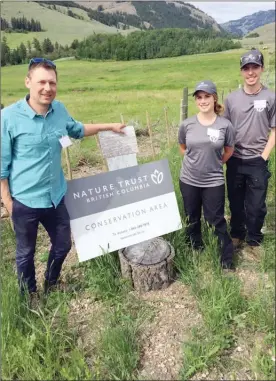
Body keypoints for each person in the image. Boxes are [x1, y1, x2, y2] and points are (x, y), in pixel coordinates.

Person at [1, 57, 126, 297]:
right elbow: (1, 164)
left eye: (52, 83)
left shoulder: (60, 110)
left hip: (55, 196)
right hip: (25, 200)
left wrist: (109, 126)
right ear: (28, 82)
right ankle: (30, 295)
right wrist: (8, 201)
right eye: (41, 82)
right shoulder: (8, 117)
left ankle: (51, 281)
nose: (47, 88)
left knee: (63, 244)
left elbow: (77, 130)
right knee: (25, 252)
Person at [178, 80, 235, 270]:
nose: (203, 101)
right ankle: (196, 247)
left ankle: (226, 260)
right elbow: (183, 147)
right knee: (192, 216)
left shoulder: (225, 125)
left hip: (214, 181)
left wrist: (217, 162)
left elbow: (229, 150)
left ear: (214, 98)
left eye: (207, 96)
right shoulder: (187, 124)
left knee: (215, 219)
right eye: (199, 97)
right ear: (196, 100)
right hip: (189, 179)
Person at [224, 49, 275, 257]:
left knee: (256, 204)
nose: (251, 72)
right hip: (235, 160)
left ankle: (254, 238)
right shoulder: (231, 99)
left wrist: (264, 156)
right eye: (247, 68)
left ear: (262, 69)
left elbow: (274, 129)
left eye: (255, 67)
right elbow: (225, 129)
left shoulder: (271, 97)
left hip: (257, 160)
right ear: (241, 71)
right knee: (235, 201)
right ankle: (237, 234)